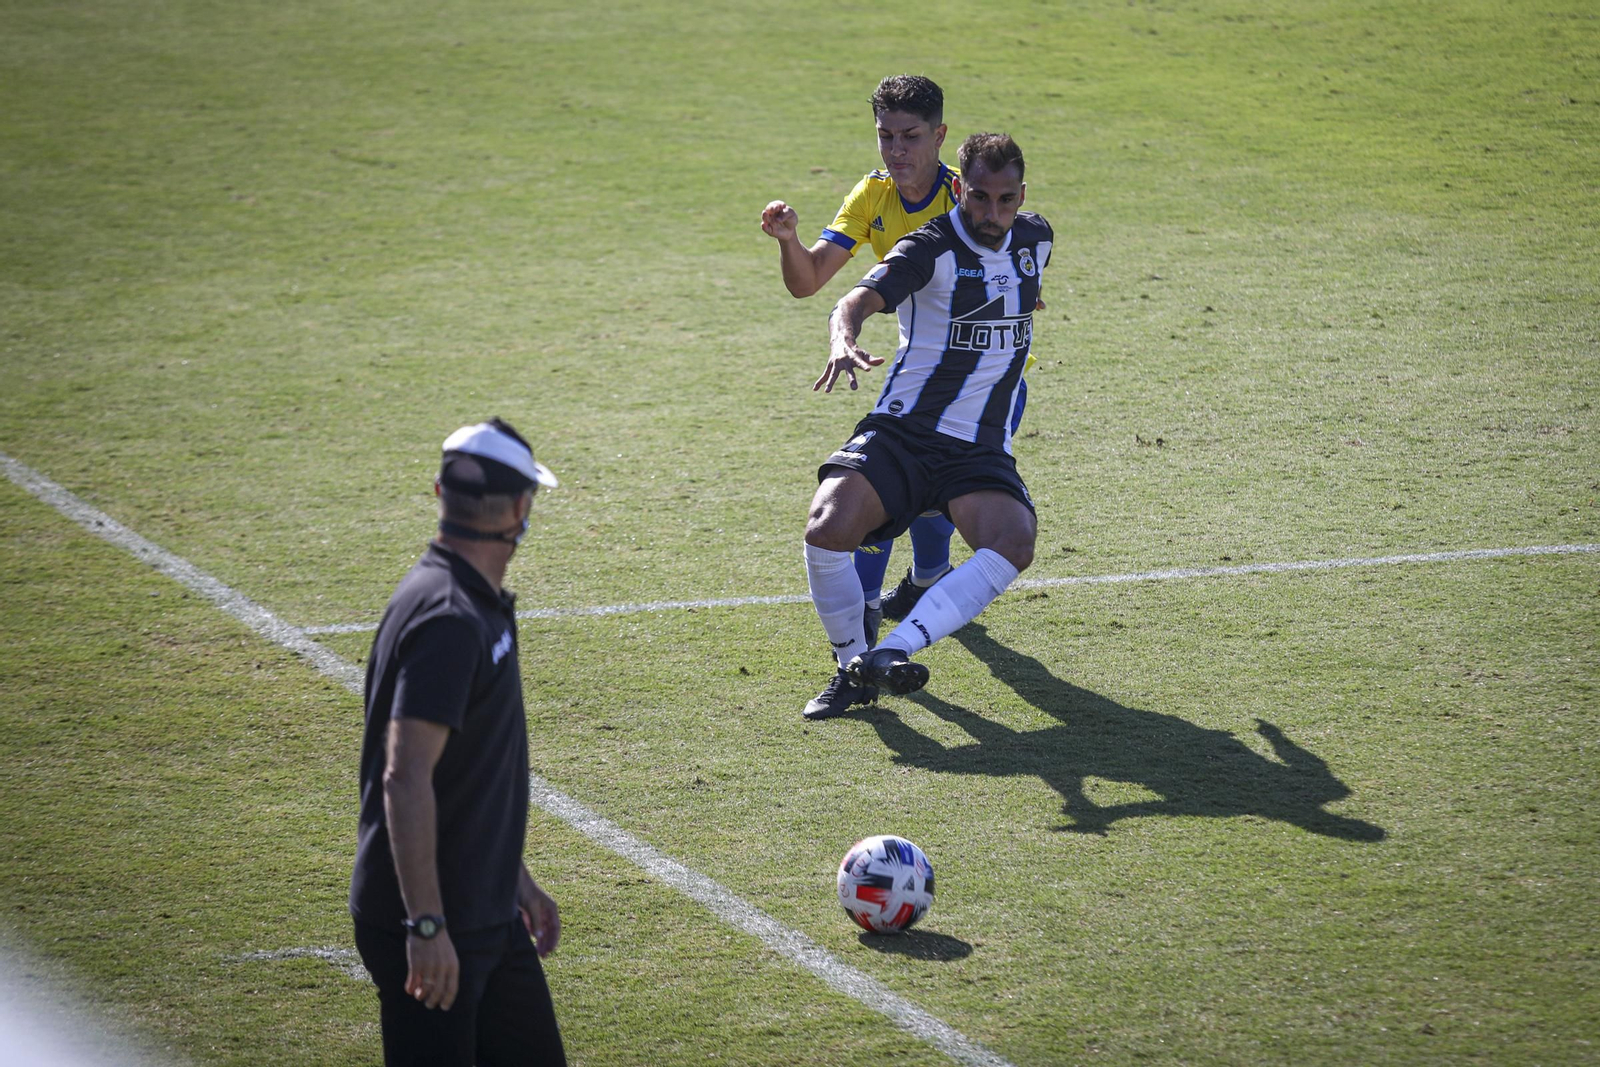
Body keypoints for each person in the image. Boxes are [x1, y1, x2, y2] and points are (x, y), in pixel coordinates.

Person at [801, 133, 1051, 717]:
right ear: (959, 188)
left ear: (1022, 195)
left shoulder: (1037, 239)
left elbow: (1019, 285)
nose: (993, 214)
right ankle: (851, 668)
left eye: (1006, 200)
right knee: (826, 526)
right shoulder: (928, 247)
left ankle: (889, 652)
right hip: (906, 432)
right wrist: (843, 337)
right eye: (981, 198)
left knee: (1014, 541)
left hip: (979, 444)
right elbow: (856, 300)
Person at [350, 418, 567, 1066]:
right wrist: (425, 924)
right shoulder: (448, 615)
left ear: (440, 492)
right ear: (521, 507)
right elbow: (406, 775)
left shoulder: (469, 597)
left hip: (485, 905)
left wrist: (514, 876)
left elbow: (466, 773)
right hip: (434, 920)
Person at [759, 75, 971, 660]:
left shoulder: (966, 196)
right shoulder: (872, 194)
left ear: (940, 135)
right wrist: (789, 240)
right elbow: (808, 283)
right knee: (907, 481)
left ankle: (873, 618)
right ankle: (918, 583)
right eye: (885, 136)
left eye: (910, 136)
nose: (897, 150)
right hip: (916, 361)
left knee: (894, 482)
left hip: (978, 374)